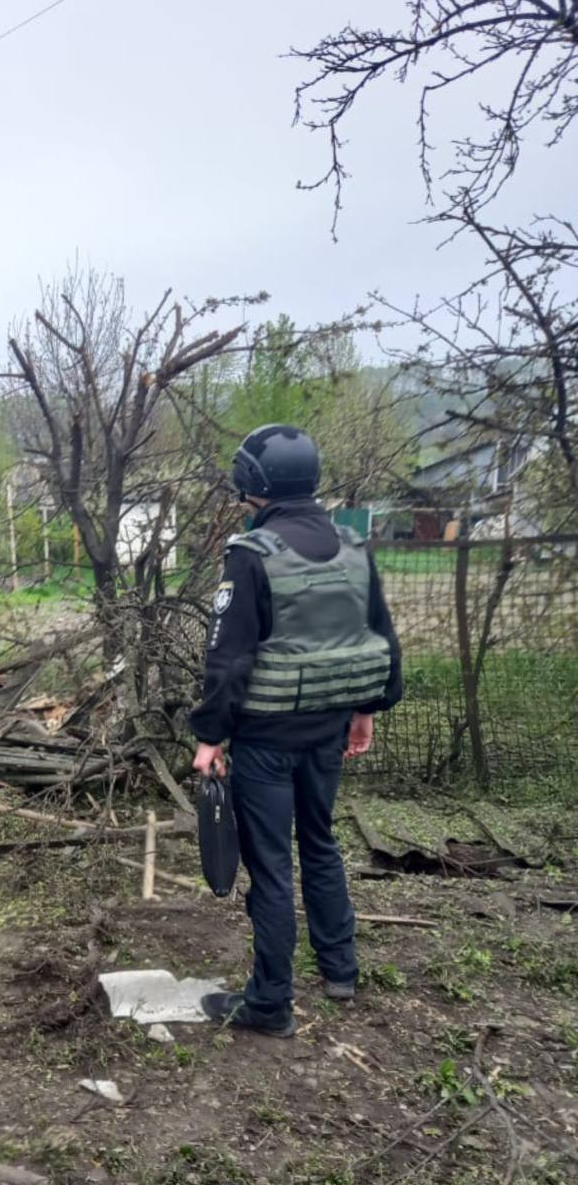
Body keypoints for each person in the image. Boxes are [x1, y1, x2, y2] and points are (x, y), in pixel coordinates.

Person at [191, 424, 402, 1037]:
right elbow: (379, 635)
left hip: (267, 742)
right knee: (320, 842)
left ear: (252, 483)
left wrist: (210, 736)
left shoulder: (251, 555)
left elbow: (229, 658)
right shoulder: (353, 546)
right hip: (328, 733)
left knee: (272, 866)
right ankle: (340, 969)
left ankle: (270, 1003)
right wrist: (366, 708)